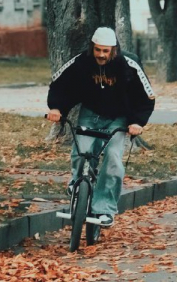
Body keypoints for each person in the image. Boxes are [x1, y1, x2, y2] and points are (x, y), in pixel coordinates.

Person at [46, 26, 155, 227]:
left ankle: (104, 209)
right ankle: (77, 182)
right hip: (90, 114)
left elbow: (147, 95)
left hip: (118, 118)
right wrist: (56, 107)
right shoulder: (81, 62)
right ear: (92, 48)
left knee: (113, 158)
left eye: (106, 51)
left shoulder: (129, 64)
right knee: (82, 150)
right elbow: (60, 83)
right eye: (98, 50)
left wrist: (137, 121)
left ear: (114, 50)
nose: (101, 55)